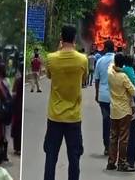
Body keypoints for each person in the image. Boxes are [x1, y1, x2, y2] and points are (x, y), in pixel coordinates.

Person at [43, 25, 88, 180]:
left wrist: (57, 50)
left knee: (51, 155)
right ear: (74, 39)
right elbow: (83, 79)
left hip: (54, 116)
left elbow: (49, 76)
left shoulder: (51, 58)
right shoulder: (82, 59)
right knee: (74, 157)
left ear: (61, 38)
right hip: (73, 117)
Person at [106, 53, 135, 172]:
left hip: (113, 109)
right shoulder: (123, 77)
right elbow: (133, 92)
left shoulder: (110, 74)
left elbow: (111, 65)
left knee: (113, 136)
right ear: (123, 63)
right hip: (124, 111)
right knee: (123, 138)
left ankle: (111, 161)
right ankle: (122, 163)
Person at [94, 40, 115, 156]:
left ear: (105, 49)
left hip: (103, 96)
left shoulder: (100, 61)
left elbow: (96, 79)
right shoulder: (118, 60)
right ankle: (113, 146)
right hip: (116, 97)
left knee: (106, 121)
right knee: (115, 122)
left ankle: (107, 146)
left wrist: (96, 94)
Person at [123, 55, 135, 171]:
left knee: (123, 135)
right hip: (132, 109)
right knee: (132, 136)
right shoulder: (132, 72)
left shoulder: (123, 72)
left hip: (127, 108)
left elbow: (132, 92)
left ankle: (123, 161)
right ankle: (130, 161)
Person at [0, 62, 12, 162]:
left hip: (0, 109)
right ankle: (4, 154)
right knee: (6, 132)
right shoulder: (8, 81)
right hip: (7, 109)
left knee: (1, 132)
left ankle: (1, 153)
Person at [11, 62, 23, 156]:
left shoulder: (18, 80)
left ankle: (17, 147)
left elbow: (14, 92)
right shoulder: (20, 80)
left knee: (17, 127)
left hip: (17, 105)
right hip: (20, 105)